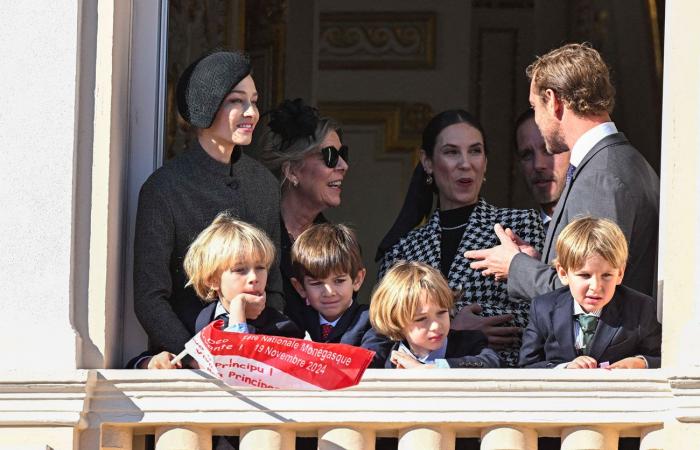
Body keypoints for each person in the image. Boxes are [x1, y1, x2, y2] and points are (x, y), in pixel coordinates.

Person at [466, 43, 659, 299]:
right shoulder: (621, 161)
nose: (536, 119)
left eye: (535, 107)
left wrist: (516, 267)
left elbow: (588, 297)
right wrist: (540, 261)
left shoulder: (600, 178)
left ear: (554, 101)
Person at [133, 51, 285, 366]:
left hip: (257, 365)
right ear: (206, 106)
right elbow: (150, 298)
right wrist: (196, 357)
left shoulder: (264, 185)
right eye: (236, 101)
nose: (251, 112)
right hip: (187, 366)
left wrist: (261, 350)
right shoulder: (164, 188)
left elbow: (277, 287)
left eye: (254, 101)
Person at [379, 109, 545, 367]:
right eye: (451, 152)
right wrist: (451, 325)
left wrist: (453, 326)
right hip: (419, 393)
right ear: (428, 162)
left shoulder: (520, 225)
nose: (465, 163)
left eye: (475, 151)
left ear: (486, 162)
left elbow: (545, 312)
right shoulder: (402, 250)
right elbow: (385, 329)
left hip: (500, 382)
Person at [133, 213, 301, 369]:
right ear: (212, 280)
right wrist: (152, 362)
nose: (254, 277)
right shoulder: (191, 323)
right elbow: (136, 363)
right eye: (240, 270)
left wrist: (238, 311)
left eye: (260, 268)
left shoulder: (281, 328)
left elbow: (237, 367)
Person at [519, 216, 661, 369]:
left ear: (620, 274)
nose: (596, 286)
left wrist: (640, 362)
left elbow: (662, 358)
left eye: (606, 275)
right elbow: (527, 365)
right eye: (585, 275)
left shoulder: (639, 308)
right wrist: (564, 368)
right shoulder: (543, 308)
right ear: (563, 273)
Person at [258, 99, 349, 329]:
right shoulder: (257, 239)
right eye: (330, 156)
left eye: (343, 154)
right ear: (292, 171)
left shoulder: (341, 245)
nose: (343, 165)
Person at [289, 223, 392, 367]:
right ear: (300, 288)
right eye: (317, 283)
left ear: (357, 280)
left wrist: (312, 358)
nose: (329, 292)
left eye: (339, 281)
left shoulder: (374, 321)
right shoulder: (293, 322)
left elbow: (370, 361)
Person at [370, 261, 501, 369]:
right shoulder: (387, 354)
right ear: (396, 322)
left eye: (442, 312)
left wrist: (433, 368)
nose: (436, 325)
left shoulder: (469, 342)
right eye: (421, 319)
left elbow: (493, 362)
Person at [514, 109, 570, 227]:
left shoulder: (605, 224)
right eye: (527, 155)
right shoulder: (514, 234)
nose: (538, 165)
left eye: (549, 150)